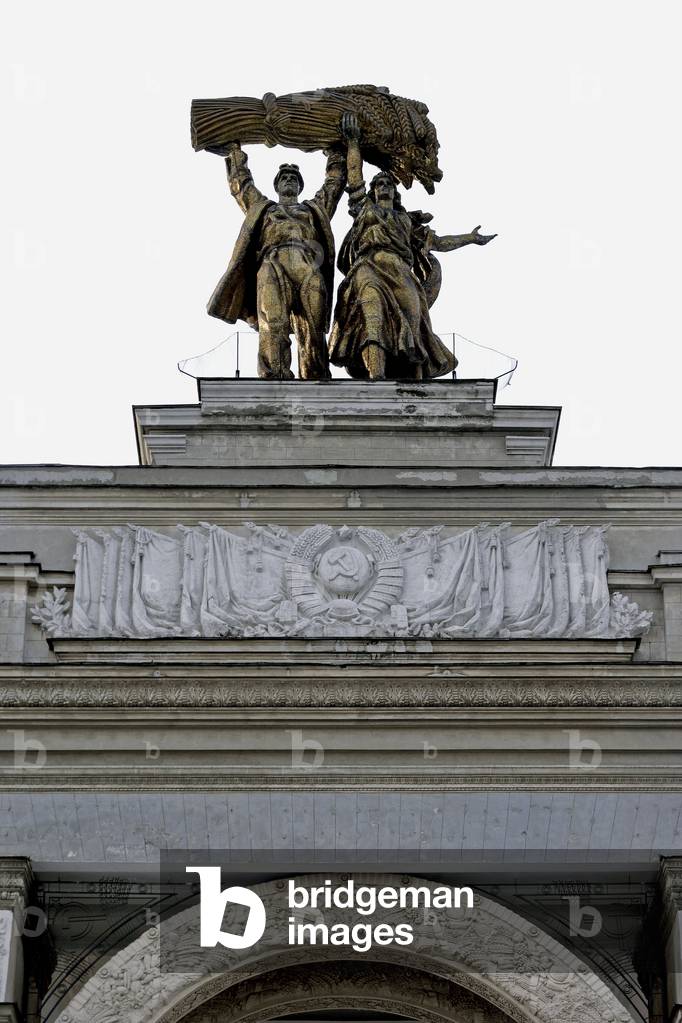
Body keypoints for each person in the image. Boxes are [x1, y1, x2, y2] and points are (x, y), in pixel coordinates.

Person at [329, 113, 496, 380]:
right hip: (368, 267)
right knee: (372, 316)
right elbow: (355, 177)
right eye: (379, 184)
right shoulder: (364, 209)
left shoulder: (406, 220)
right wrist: (353, 142)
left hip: (401, 272)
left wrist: (470, 238)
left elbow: (439, 243)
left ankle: (415, 381)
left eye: (388, 184)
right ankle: (376, 376)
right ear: (373, 191)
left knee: (413, 323)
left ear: (395, 192)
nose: (384, 187)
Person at [206, 142, 346, 380]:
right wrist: (235, 152)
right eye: (284, 178)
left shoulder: (313, 209)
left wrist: (336, 153)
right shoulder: (264, 209)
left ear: (300, 186)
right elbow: (242, 186)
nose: (289, 180)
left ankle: (315, 375)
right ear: (277, 185)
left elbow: (333, 186)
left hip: (307, 265)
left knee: (313, 327)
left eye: (293, 178)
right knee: (273, 322)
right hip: (272, 263)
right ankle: (275, 374)